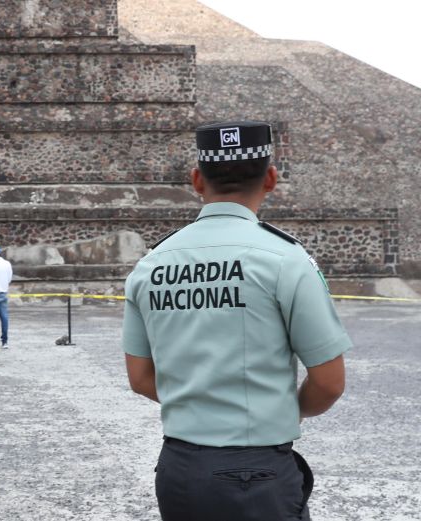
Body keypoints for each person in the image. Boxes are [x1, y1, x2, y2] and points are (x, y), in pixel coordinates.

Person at [122, 121, 351, 521]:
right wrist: (277, 409)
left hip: (179, 470)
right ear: (271, 179)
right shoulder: (286, 260)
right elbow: (329, 382)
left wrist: (200, 400)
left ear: (196, 180)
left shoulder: (151, 264)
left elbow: (141, 378)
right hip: (257, 473)